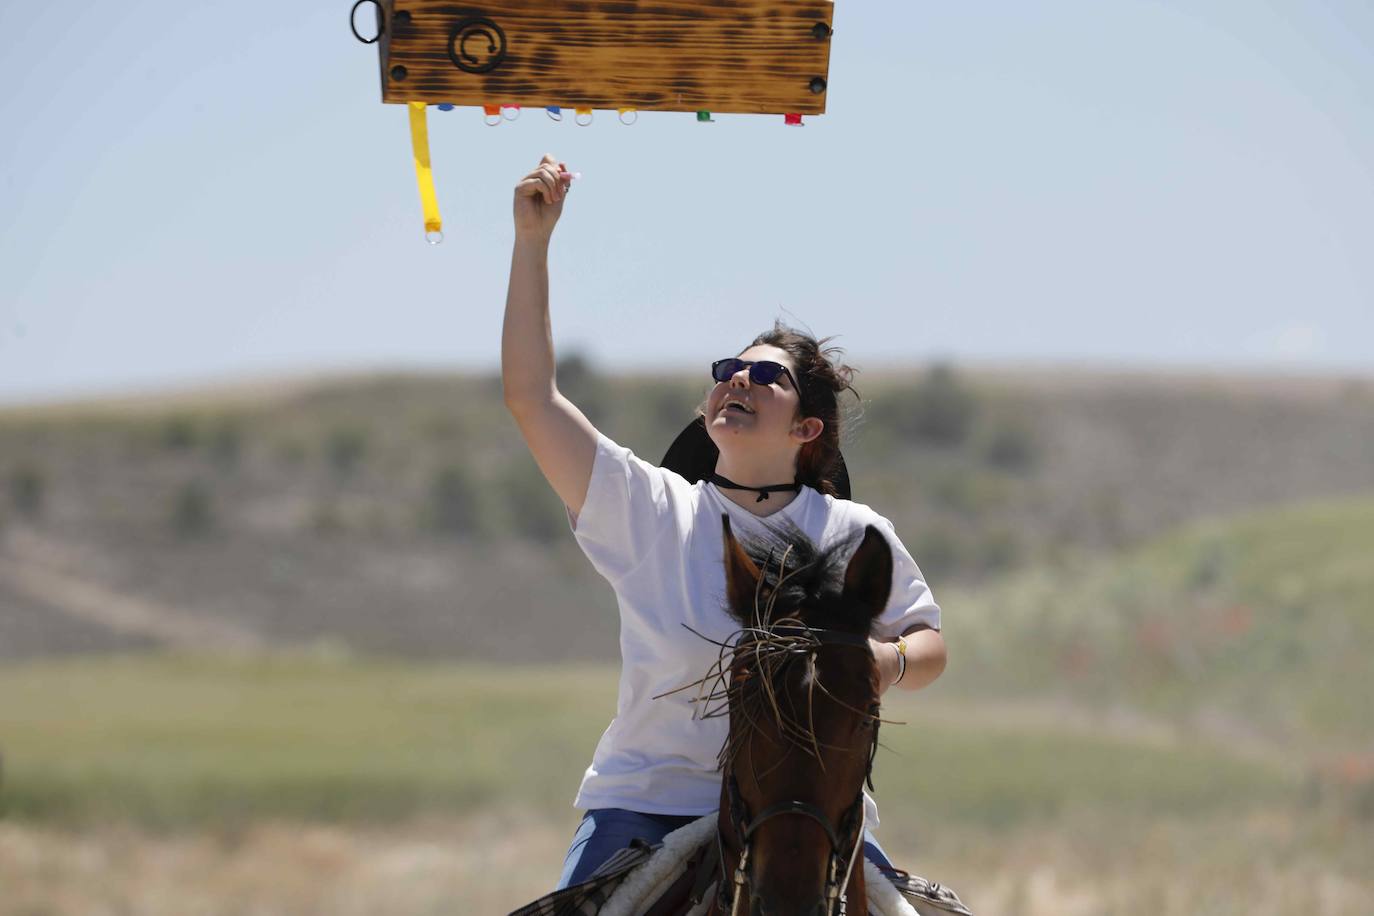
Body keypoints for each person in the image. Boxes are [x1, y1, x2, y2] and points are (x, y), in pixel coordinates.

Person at [502, 154, 948, 890]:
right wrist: (531, 241)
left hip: (810, 821)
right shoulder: (646, 509)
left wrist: (884, 665)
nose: (737, 379)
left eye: (766, 376)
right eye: (727, 371)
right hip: (648, 809)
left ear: (807, 430)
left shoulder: (853, 532)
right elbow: (529, 396)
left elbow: (928, 644)